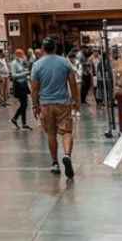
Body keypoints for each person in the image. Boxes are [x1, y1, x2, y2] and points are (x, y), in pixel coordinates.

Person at [31, 38, 80, 178]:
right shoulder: (65, 62)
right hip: (63, 104)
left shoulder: (37, 65)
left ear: (43, 48)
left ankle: (55, 163)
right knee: (67, 132)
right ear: (55, 48)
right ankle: (67, 155)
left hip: (46, 105)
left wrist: (35, 105)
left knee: (51, 134)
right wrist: (76, 101)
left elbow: (34, 89)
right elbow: (73, 83)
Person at [10, 49, 32, 130]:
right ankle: (16, 119)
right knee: (24, 104)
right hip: (19, 85)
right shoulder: (14, 63)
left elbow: (24, 69)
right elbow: (13, 75)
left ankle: (22, 122)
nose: (23, 56)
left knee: (24, 104)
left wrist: (26, 70)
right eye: (22, 55)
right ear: (18, 55)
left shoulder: (21, 62)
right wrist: (25, 73)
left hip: (24, 84)